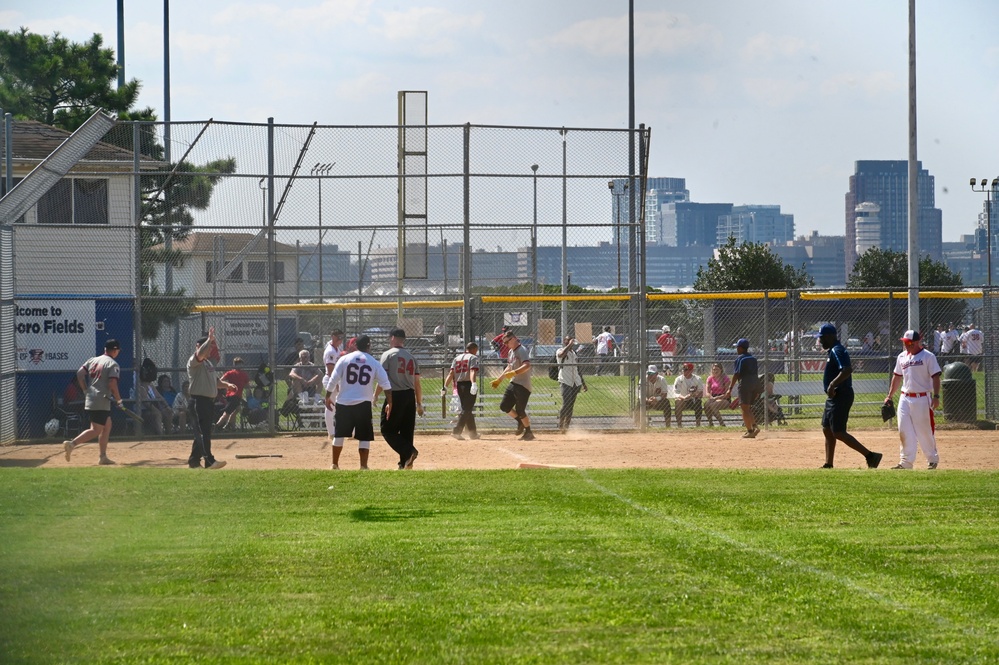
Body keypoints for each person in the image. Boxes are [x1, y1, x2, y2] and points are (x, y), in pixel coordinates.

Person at [817, 323, 882, 469]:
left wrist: (832, 385)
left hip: (841, 394)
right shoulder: (833, 350)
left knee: (838, 432)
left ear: (830, 336)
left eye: (822, 338)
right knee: (826, 428)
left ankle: (871, 456)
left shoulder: (837, 350)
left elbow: (847, 369)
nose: (820, 341)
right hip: (833, 396)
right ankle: (828, 463)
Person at [326, 335, 392, 470]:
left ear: (355, 345)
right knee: (364, 436)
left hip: (344, 402)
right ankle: (363, 465)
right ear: (369, 346)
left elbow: (333, 379)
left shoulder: (344, 359)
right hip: (363, 403)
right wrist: (390, 402)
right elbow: (385, 384)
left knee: (339, 434)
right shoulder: (373, 362)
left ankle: (335, 464)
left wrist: (328, 396)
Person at [885, 330, 942, 470]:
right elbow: (897, 377)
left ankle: (932, 459)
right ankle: (905, 462)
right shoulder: (901, 356)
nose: (906, 345)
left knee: (924, 431)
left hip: (922, 398)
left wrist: (936, 396)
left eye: (909, 343)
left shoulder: (928, 356)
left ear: (917, 342)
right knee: (904, 429)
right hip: (905, 398)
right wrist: (890, 395)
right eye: (904, 342)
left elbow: (936, 377)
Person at [63, 339, 124, 465]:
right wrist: (119, 400)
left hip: (92, 398)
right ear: (114, 350)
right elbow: (112, 384)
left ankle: (103, 457)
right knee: (96, 430)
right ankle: (72, 444)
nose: (118, 352)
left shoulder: (93, 360)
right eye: (117, 350)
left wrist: (86, 390)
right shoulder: (113, 364)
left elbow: (80, 374)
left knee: (107, 425)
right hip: (101, 400)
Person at [375, 329, 424, 470]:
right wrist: (418, 402)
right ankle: (405, 464)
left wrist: (375, 395)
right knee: (406, 431)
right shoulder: (411, 357)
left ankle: (409, 453)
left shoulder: (388, 355)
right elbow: (417, 384)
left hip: (394, 396)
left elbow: (383, 379)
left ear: (393, 338)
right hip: (409, 396)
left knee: (387, 430)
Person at [186, 327, 230, 470]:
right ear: (199, 347)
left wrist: (227, 385)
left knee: (203, 432)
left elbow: (215, 381)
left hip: (208, 402)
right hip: (198, 401)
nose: (210, 350)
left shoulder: (208, 363)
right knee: (203, 433)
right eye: (208, 346)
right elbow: (199, 354)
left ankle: (194, 462)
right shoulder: (194, 360)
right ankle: (209, 461)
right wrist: (209, 340)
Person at [490, 330, 534, 440]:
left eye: (507, 342)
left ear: (514, 339)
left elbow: (527, 365)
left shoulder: (521, 350)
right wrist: (499, 379)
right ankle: (520, 422)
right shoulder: (511, 352)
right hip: (514, 383)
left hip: (523, 385)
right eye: (504, 343)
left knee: (520, 410)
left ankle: (529, 432)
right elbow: (509, 367)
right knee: (504, 406)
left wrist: (515, 372)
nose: (505, 345)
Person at [443, 341, 480, 440]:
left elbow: (451, 373)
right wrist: (474, 383)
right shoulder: (473, 358)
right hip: (468, 384)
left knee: (467, 408)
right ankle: (457, 431)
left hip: (459, 385)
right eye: (476, 350)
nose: (476, 352)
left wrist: (445, 386)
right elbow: (472, 371)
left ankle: (473, 433)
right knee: (467, 409)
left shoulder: (457, 358)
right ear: (473, 349)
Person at [725, 338, 761, 438]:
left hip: (745, 384)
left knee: (744, 409)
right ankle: (754, 427)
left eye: (737, 347)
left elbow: (736, 374)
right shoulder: (753, 358)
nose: (736, 349)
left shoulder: (740, 359)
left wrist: (730, 388)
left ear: (741, 348)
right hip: (756, 383)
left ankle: (750, 431)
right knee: (748, 408)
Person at [555, 336, 587, 433]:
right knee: (566, 404)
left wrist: (583, 383)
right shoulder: (560, 350)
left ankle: (566, 427)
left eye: (571, 340)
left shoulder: (574, 353)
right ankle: (561, 425)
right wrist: (569, 344)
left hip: (575, 381)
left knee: (571, 405)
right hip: (565, 380)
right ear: (565, 341)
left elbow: (577, 369)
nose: (570, 341)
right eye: (568, 340)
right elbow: (561, 355)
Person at [321, 329, 345, 446]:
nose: (340, 339)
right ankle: (331, 432)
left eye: (341, 337)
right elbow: (330, 369)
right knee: (331, 406)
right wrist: (335, 384)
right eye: (338, 337)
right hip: (330, 379)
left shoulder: (336, 349)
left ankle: (332, 432)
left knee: (334, 406)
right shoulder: (330, 350)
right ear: (332, 336)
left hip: (335, 379)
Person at [216, 357, 251, 430]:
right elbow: (221, 380)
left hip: (237, 396)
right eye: (237, 364)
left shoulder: (243, 374)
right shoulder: (231, 373)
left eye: (240, 364)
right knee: (227, 412)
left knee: (237, 409)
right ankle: (217, 426)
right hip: (233, 395)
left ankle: (228, 425)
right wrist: (226, 386)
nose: (239, 366)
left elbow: (247, 386)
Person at [672, 362, 704, 427]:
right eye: (683, 369)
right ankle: (679, 425)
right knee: (678, 402)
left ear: (691, 370)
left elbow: (701, 393)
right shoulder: (678, 379)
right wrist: (683, 397)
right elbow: (676, 393)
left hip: (693, 400)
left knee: (698, 402)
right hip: (682, 400)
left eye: (686, 370)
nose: (684, 371)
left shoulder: (698, 379)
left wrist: (694, 395)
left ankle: (698, 425)